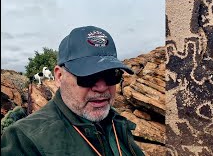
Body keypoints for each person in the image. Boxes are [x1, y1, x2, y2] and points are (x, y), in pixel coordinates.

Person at [1, 26, 145, 156]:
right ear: (59, 76)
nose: (101, 88)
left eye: (111, 75)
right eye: (88, 76)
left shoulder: (117, 122)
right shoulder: (23, 140)